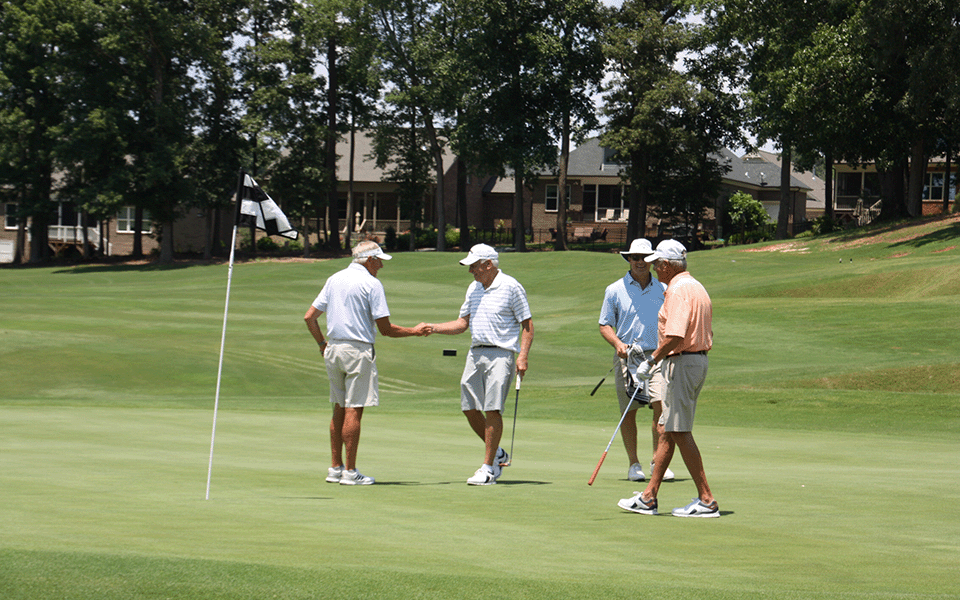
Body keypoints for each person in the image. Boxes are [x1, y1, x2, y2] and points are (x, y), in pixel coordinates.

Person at [304, 241, 429, 486]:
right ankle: (350, 472)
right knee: (354, 408)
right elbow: (386, 329)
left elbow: (310, 317)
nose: (381, 265)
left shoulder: (334, 278)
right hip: (358, 350)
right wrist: (414, 331)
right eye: (379, 261)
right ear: (369, 260)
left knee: (339, 407)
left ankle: (335, 468)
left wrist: (322, 345)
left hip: (334, 348)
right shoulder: (371, 283)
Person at [617, 239, 718, 517]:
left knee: (679, 430)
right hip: (694, 361)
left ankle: (707, 499)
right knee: (667, 429)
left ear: (665, 265)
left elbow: (675, 335)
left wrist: (651, 360)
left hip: (682, 363)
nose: (652, 269)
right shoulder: (695, 285)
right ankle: (649, 496)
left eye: (655, 264)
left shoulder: (676, 290)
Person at [426, 244, 534, 485]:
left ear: (488, 264)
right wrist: (433, 328)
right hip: (475, 353)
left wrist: (522, 356)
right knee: (469, 407)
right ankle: (497, 453)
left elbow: (527, 325)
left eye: (474, 266)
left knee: (493, 408)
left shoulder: (511, 286)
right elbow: (462, 323)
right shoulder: (474, 288)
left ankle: (488, 468)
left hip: (502, 354)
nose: (471, 271)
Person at [598, 238, 675, 483]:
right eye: (635, 258)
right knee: (629, 411)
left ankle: (656, 460)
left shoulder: (664, 288)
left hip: (657, 357)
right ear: (628, 260)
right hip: (627, 357)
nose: (640, 262)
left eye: (644, 258)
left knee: (660, 406)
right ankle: (634, 464)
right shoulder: (614, 289)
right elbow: (605, 324)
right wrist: (618, 344)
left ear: (652, 260)